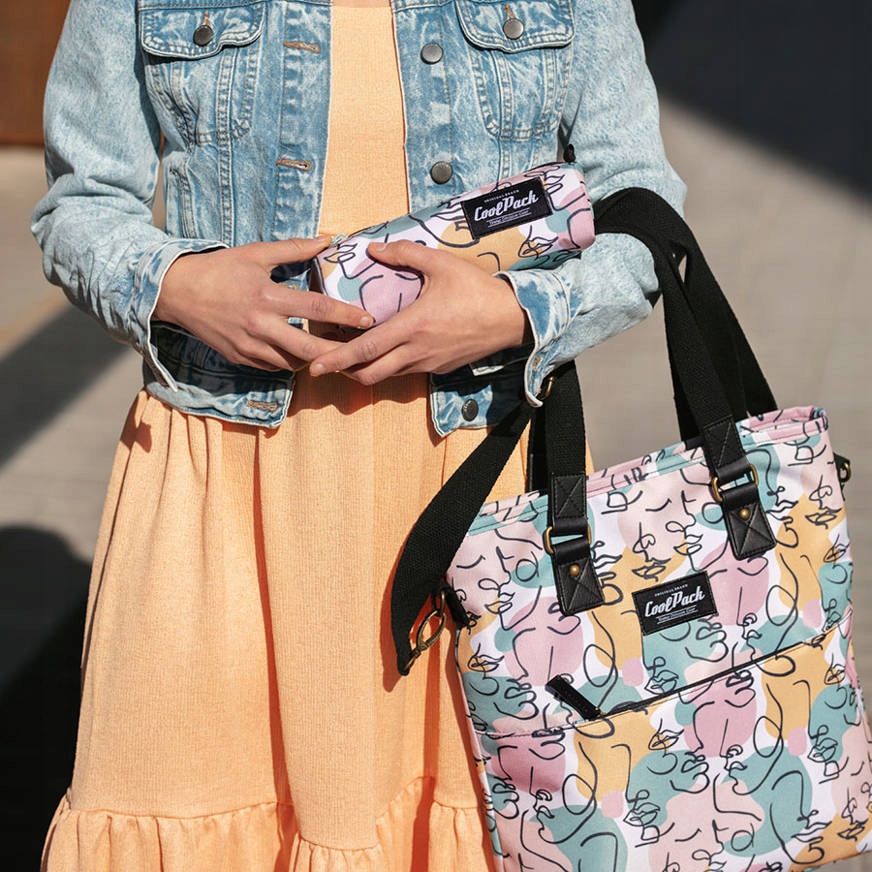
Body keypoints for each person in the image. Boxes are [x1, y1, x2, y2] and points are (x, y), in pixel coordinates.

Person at [33, 0, 684, 868]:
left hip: (474, 484)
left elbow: (642, 205)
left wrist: (517, 309)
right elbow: (79, 206)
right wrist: (178, 284)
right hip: (223, 479)